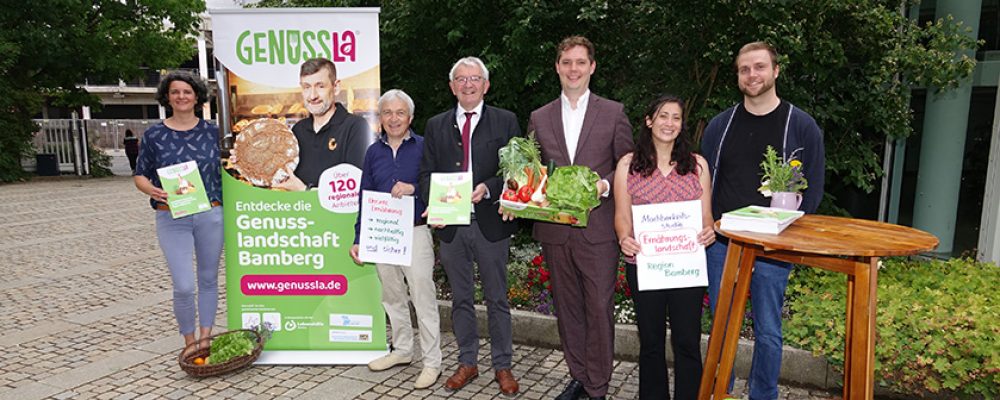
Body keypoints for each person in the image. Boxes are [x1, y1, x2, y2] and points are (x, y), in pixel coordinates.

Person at [702, 41, 825, 399]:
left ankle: (763, 394)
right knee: (723, 325)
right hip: (724, 246)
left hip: (774, 248)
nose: (751, 75)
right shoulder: (720, 126)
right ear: (737, 76)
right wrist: (708, 223)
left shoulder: (800, 126)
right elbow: (703, 180)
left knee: (769, 330)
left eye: (758, 67)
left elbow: (813, 189)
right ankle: (720, 391)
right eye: (744, 69)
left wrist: (789, 237)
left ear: (775, 71)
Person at [522, 36, 633, 400]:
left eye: (580, 62)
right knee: (568, 310)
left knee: (599, 310)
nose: (573, 69)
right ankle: (580, 376)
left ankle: (598, 387)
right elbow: (531, 172)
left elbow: (627, 166)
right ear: (557, 67)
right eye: (566, 62)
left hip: (598, 231)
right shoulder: (539, 116)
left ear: (592, 67)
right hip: (555, 232)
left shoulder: (613, 112)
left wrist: (602, 186)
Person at [418, 56, 521, 396]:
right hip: (452, 226)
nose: (467, 84)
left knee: (497, 299)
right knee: (461, 299)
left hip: (490, 223)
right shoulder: (435, 125)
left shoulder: (505, 121)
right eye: (460, 79)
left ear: (486, 85)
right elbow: (426, 172)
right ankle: (467, 362)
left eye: (474, 78)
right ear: (452, 87)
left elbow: (516, 171)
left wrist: (489, 186)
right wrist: (430, 200)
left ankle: (502, 366)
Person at [614, 94, 716, 400]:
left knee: (687, 340)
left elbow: (706, 215)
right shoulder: (628, 165)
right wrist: (624, 238)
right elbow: (621, 215)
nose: (669, 123)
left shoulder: (697, 165)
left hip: (686, 268)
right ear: (649, 120)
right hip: (645, 267)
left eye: (676, 117)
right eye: (663, 116)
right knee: (651, 343)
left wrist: (709, 231)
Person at [348, 89, 442, 389]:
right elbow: (365, 195)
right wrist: (359, 237)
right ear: (381, 119)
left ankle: (432, 362)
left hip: (415, 231)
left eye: (400, 113)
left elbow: (438, 188)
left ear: (410, 117)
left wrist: (414, 188)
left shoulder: (425, 147)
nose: (394, 118)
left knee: (423, 298)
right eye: (387, 113)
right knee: (392, 297)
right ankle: (402, 351)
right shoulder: (373, 152)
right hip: (382, 234)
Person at [132, 72, 223, 354]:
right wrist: (152, 191)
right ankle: (189, 342)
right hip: (171, 216)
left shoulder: (214, 132)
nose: (181, 96)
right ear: (167, 97)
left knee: (208, 279)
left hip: (211, 214)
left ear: (197, 96)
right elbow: (140, 175)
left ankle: (206, 338)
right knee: (184, 285)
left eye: (187, 91)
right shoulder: (155, 135)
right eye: (175, 92)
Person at [274, 57, 371, 191]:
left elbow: (354, 190)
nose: (312, 95)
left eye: (320, 86)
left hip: (338, 212)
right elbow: (282, 173)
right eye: (307, 87)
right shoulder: (298, 130)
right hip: (299, 211)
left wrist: (304, 190)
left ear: (336, 87)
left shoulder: (356, 127)